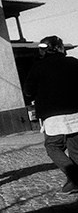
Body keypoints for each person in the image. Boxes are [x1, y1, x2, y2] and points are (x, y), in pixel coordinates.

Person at [23, 35, 78, 193]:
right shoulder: (74, 62)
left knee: (53, 147)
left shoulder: (38, 67)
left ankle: (75, 177)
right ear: (59, 48)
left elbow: (28, 91)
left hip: (53, 115)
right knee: (75, 149)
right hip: (76, 113)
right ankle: (73, 180)